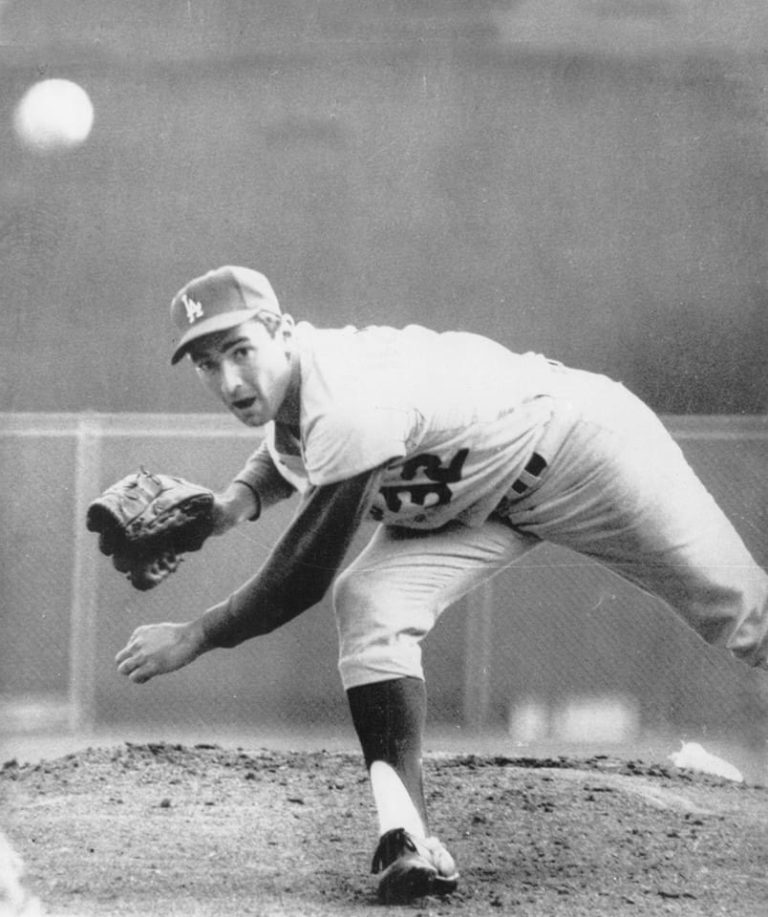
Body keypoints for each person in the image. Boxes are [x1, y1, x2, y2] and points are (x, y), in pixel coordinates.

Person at [115, 265, 768, 903]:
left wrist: (194, 634)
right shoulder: (295, 391)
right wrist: (227, 509)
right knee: (371, 599)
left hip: (581, 446)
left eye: (239, 350)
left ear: (282, 330)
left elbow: (299, 578)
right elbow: (285, 454)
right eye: (207, 362)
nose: (229, 378)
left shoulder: (346, 399)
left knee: (743, 612)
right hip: (472, 501)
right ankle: (408, 834)